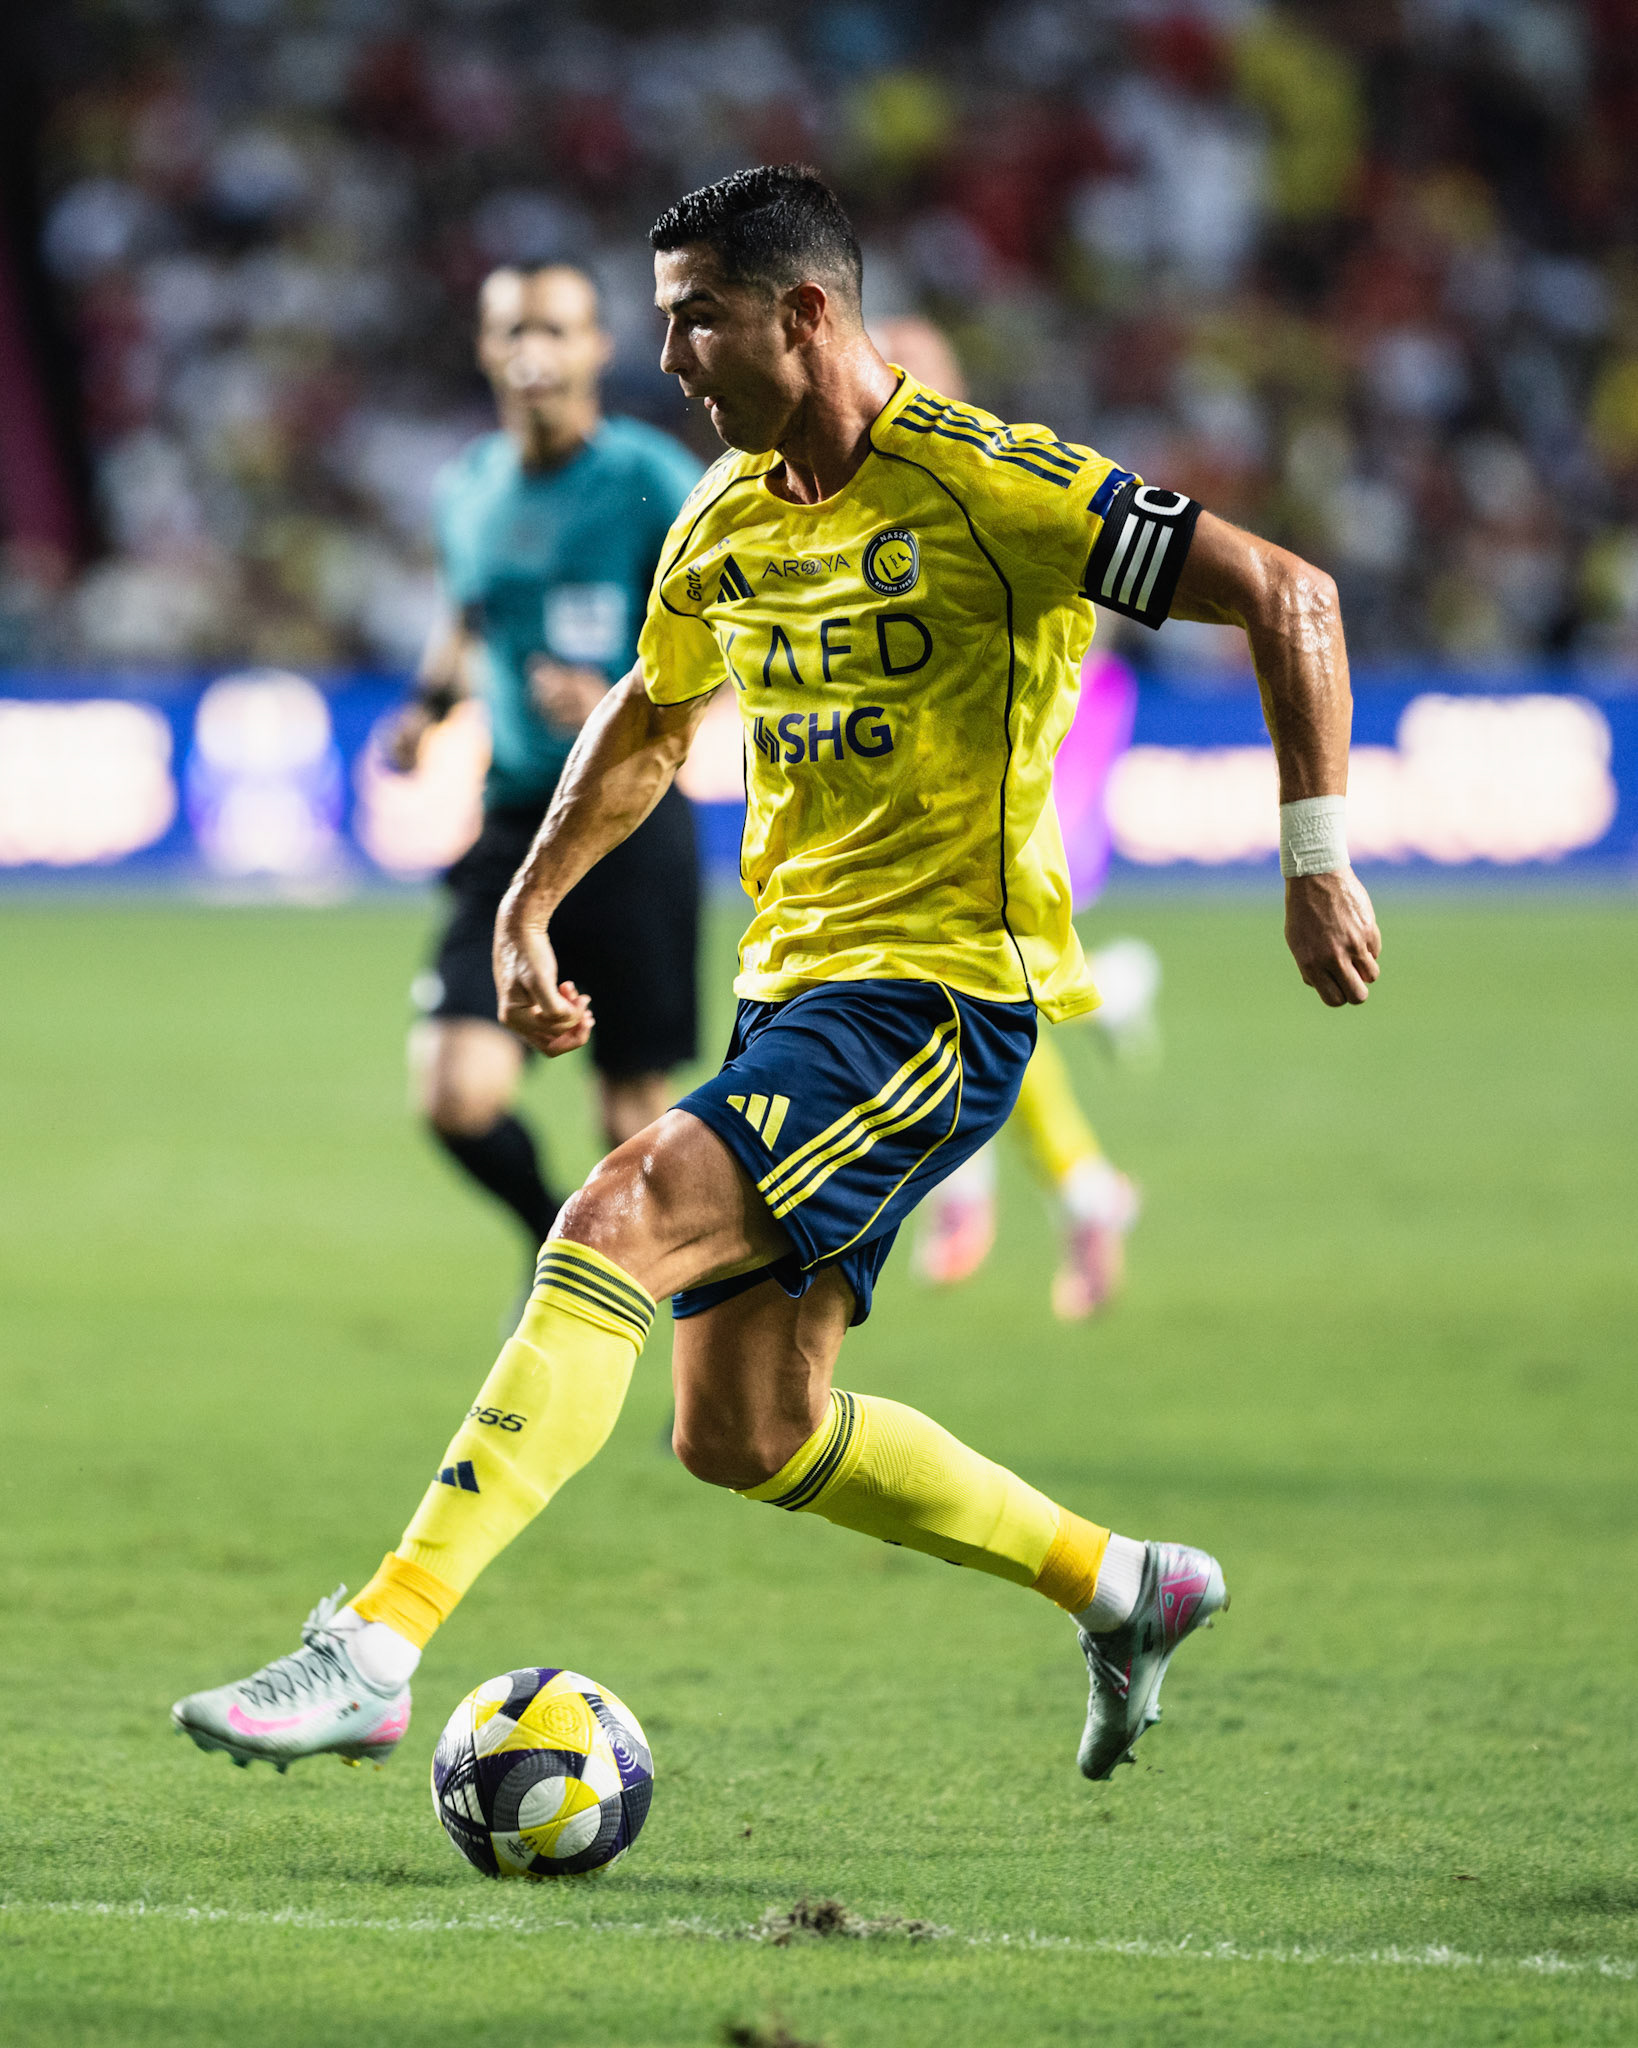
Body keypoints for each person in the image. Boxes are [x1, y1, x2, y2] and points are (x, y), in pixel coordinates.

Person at [174, 167, 1380, 1787]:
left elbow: (1282, 591)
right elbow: (652, 714)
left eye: (693, 319)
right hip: (795, 990)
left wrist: (1314, 855)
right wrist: (530, 904)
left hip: (938, 994)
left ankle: (375, 1643)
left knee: (615, 1208)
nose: (668, 356)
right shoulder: (729, 511)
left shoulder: (989, 483)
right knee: (744, 1426)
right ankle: (1119, 1582)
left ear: (803, 313)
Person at [387, 262, 703, 1264]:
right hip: (517, 815)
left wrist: (617, 691)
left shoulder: (652, 480)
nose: (535, 349)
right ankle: (547, 1235)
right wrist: (428, 709)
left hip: (631, 817)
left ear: (597, 348)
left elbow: (727, 645)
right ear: (486, 348)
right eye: (514, 328)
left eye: (558, 329)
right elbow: (468, 618)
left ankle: (704, 1366)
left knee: (632, 1114)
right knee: (452, 1090)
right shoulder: (468, 487)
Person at [868, 317, 1150, 1319]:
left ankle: (1003, 1185)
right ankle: (1079, 1181)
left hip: (1012, 781)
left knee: (965, 984)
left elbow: (1111, 590)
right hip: (918, 799)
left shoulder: (1003, 477)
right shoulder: (864, 495)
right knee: (972, 990)